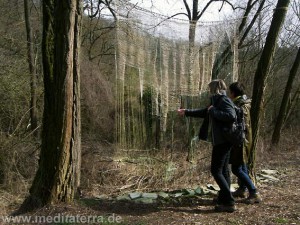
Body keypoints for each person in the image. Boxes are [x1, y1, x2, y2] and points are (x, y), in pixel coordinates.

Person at [178, 79, 236, 212]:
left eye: (210, 88)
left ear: (215, 88)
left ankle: (229, 202)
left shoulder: (223, 100)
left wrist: (213, 111)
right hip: (223, 140)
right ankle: (224, 197)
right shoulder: (216, 101)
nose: (208, 91)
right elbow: (205, 112)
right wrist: (186, 112)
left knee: (216, 170)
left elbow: (230, 116)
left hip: (223, 141)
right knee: (223, 171)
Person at [228, 82, 262, 204]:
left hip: (241, 140)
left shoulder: (239, 105)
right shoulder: (244, 103)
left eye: (229, 91)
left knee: (236, 169)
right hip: (246, 138)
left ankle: (254, 192)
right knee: (243, 166)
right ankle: (242, 189)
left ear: (232, 93)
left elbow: (236, 123)